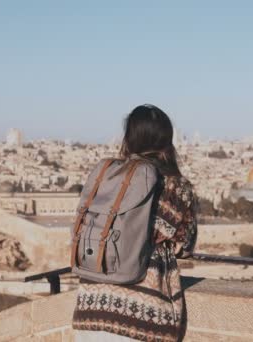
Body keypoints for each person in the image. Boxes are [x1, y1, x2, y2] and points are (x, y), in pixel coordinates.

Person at [72, 104, 198, 342]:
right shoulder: (175, 187)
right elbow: (185, 246)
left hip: (91, 309)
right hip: (143, 319)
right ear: (167, 140)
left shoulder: (107, 176)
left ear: (128, 139)